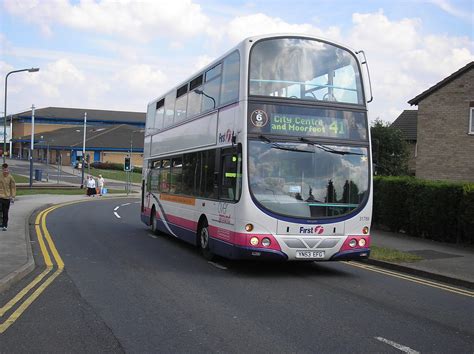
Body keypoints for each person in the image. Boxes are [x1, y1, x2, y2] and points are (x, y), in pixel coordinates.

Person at [0, 163, 16, 231]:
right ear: (2, 169)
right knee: (0, 210)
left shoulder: (10, 177)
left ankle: (5, 225)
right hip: (0, 196)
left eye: (6, 170)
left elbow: (13, 187)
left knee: (5, 212)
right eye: (4, 170)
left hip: (7, 197)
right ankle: (1, 223)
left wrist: (13, 196)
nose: (5, 171)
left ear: (8, 169)